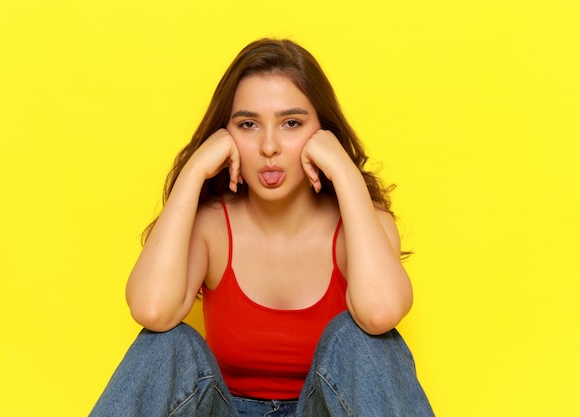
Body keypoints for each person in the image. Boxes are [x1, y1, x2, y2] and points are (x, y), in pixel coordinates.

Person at [90, 38, 434, 417]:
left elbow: (381, 312)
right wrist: (195, 171)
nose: (269, 146)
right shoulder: (211, 227)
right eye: (249, 124)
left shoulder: (364, 225)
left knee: (365, 342)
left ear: (323, 133)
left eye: (291, 123)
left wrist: (346, 176)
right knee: (165, 345)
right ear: (227, 135)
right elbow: (152, 309)